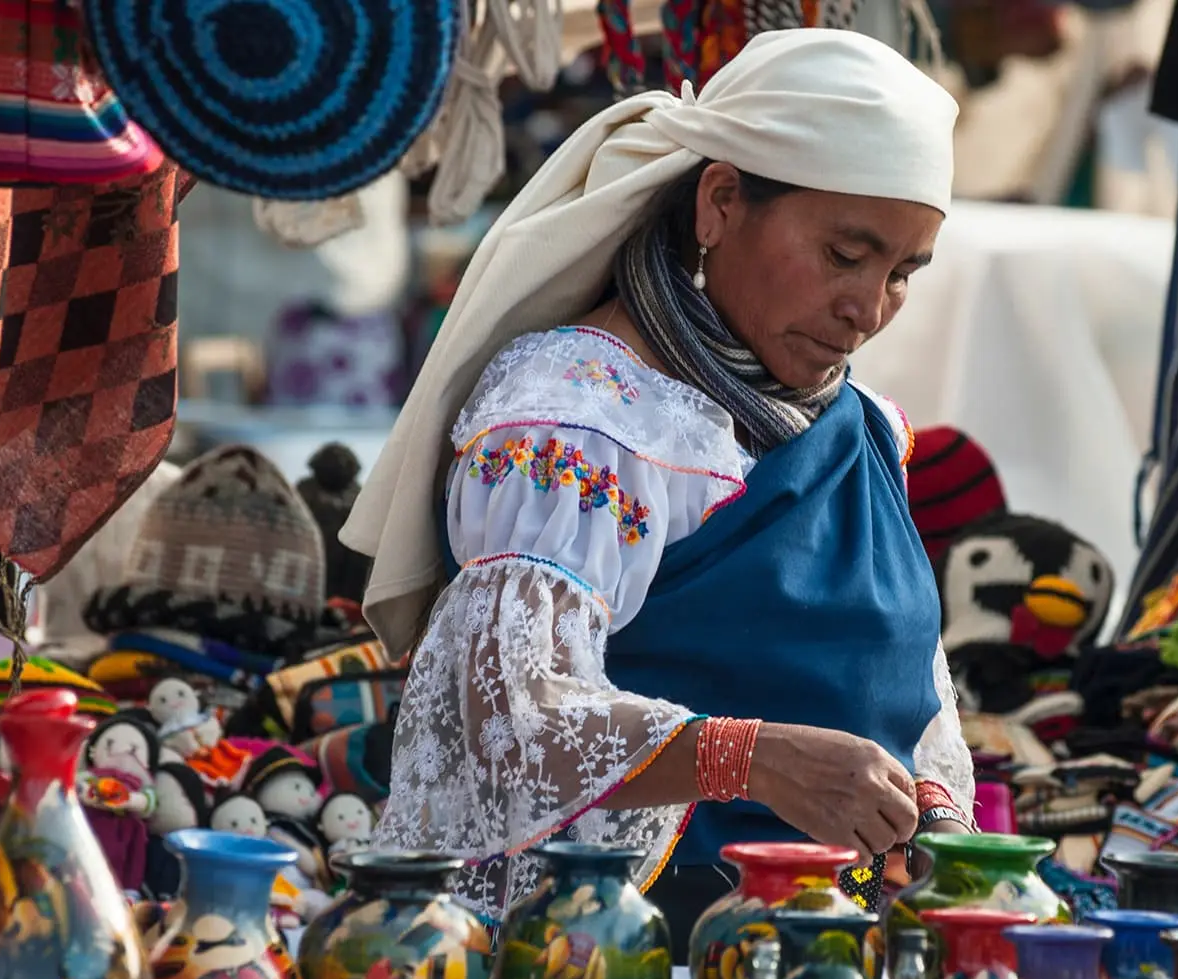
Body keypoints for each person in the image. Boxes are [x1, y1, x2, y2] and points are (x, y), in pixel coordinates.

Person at [341, 29, 975, 926]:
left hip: (836, 967)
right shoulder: (576, 418)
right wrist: (750, 759)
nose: (867, 310)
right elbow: (511, 716)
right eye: (844, 255)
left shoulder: (865, 429)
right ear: (719, 202)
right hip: (614, 972)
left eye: (903, 273)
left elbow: (907, 693)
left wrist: (926, 810)